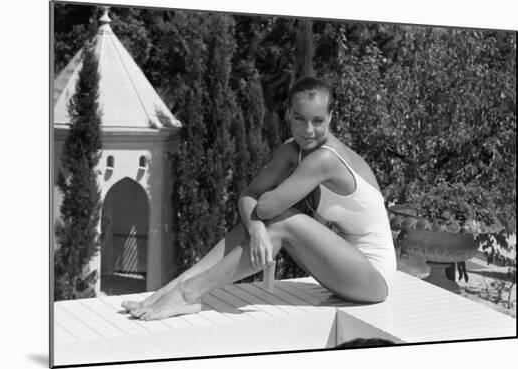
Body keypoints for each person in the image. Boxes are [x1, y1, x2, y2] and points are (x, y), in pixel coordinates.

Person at [122, 76, 397, 321]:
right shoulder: (294, 150)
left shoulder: (325, 158)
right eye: (299, 119)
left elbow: (265, 206)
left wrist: (259, 222)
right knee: (255, 224)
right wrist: (254, 229)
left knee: (282, 222)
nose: (308, 130)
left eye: (318, 121)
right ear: (288, 114)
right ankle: (170, 290)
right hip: (342, 270)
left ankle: (188, 293)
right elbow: (248, 196)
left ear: (331, 118)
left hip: (373, 278)